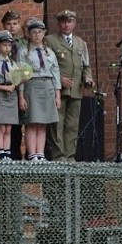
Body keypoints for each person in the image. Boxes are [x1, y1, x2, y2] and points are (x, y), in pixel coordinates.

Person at [45, 9, 94, 161]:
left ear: (74, 23)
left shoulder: (81, 42)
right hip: (58, 89)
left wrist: (88, 79)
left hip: (76, 89)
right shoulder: (50, 40)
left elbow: (86, 66)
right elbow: (46, 65)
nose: (66, 25)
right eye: (63, 21)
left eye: (69, 21)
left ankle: (69, 155)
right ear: (59, 23)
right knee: (57, 124)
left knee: (72, 125)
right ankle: (59, 155)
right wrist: (59, 79)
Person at [17, 18, 61, 162]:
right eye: (34, 32)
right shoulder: (23, 52)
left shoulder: (50, 53)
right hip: (32, 86)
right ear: (29, 35)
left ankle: (40, 154)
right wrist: (21, 96)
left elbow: (56, 74)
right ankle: (32, 154)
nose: (37, 35)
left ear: (44, 34)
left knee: (43, 123)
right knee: (32, 121)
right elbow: (21, 75)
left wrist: (57, 95)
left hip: (47, 87)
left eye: (40, 32)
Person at [0, 31, 22, 161]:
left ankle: (7, 153)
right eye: (4, 45)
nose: (7, 48)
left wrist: (16, 83)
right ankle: (0, 153)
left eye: (9, 45)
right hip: (0, 94)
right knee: (1, 127)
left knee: (9, 127)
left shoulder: (13, 63)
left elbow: (17, 78)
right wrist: (5, 87)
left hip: (11, 95)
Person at [2, 11, 26, 160]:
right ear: (4, 25)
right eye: (9, 24)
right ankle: (5, 153)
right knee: (6, 123)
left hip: (21, 86)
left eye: (15, 24)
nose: (12, 27)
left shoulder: (24, 43)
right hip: (5, 86)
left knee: (20, 123)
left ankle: (17, 155)